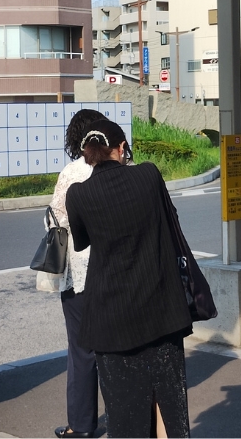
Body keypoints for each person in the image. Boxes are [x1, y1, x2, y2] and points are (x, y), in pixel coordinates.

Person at [66, 119, 193, 438]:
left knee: (124, 412)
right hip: (161, 311)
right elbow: (170, 217)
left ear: (88, 154)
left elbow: (81, 241)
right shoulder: (149, 174)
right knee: (169, 403)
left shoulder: (78, 194)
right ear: (121, 148)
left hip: (111, 320)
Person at [47, 108, 105, 439]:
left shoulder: (72, 173)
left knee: (81, 350)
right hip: (114, 270)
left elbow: (57, 220)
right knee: (114, 346)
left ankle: (80, 426)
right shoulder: (122, 168)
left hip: (80, 276)